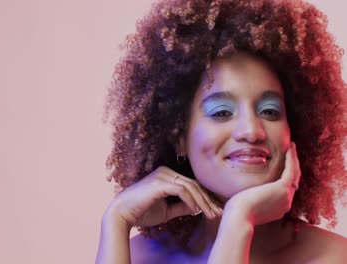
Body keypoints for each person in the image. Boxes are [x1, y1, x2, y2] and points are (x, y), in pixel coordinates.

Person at [96, 0, 347, 263]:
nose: (251, 131)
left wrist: (239, 217)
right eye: (222, 112)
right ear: (179, 138)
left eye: (270, 111)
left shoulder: (334, 257)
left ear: (294, 130)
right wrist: (117, 218)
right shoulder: (138, 256)